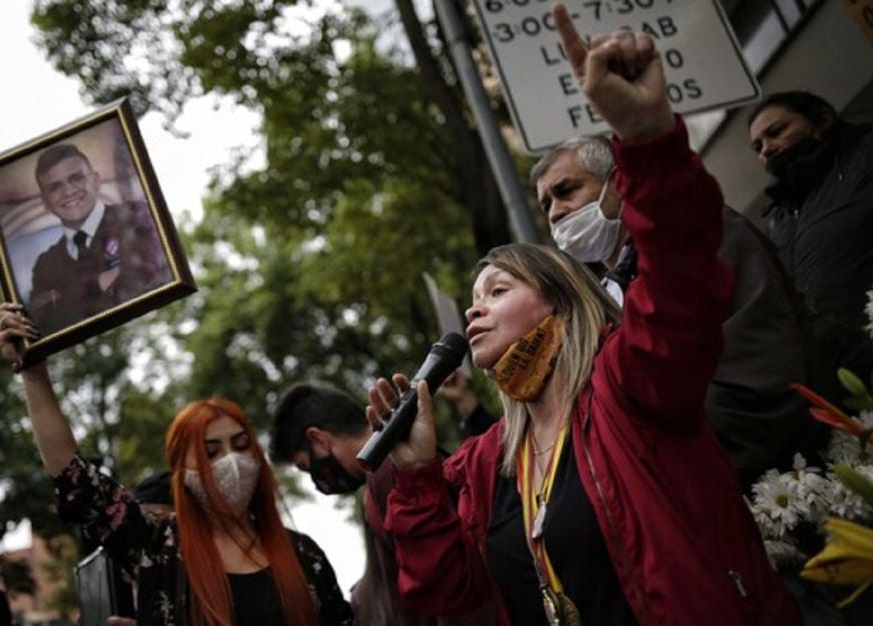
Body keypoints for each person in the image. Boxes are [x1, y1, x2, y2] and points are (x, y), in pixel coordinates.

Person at [365, 5, 799, 625]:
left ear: (561, 302)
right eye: (473, 297)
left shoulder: (631, 388)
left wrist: (648, 138)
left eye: (496, 290)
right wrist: (416, 481)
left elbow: (680, 272)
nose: (473, 309)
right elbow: (450, 599)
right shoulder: (487, 461)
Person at [0, 304, 353, 626]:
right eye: (211, 451)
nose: (233, 461)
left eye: (241, 446)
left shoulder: (304, 555)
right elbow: (75, 477)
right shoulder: (157, 546)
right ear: (184, 471)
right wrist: (34, 374)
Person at [530, 136, 825, 488]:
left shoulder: (699, 237)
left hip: (777, 478)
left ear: (618, 182)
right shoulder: (599, 301)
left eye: (566, 191)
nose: (555, 213)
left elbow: (758, 364)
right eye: (545, 205)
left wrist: (670, 467)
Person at [270, 382, 497, 626]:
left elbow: (448, 584)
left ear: (319, 439)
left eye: (307, 466)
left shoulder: (394, 475)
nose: (318, 481)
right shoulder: (388, 475)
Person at [748, 91, 873, 383]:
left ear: (821, 120)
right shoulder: (780, 218)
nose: (766, 149)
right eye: (757, 146)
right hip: (846, 382)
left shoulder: (866, 155)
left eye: (776, 132)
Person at [27, 143, 173, 335]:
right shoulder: (45, 265)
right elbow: (43, 325)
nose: (68, 191)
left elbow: (148, 276)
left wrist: (65, 299)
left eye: (76, 178)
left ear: (96, 181)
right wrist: (103, 282)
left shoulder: (136, 215)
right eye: (55, 187)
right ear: (45, 201)